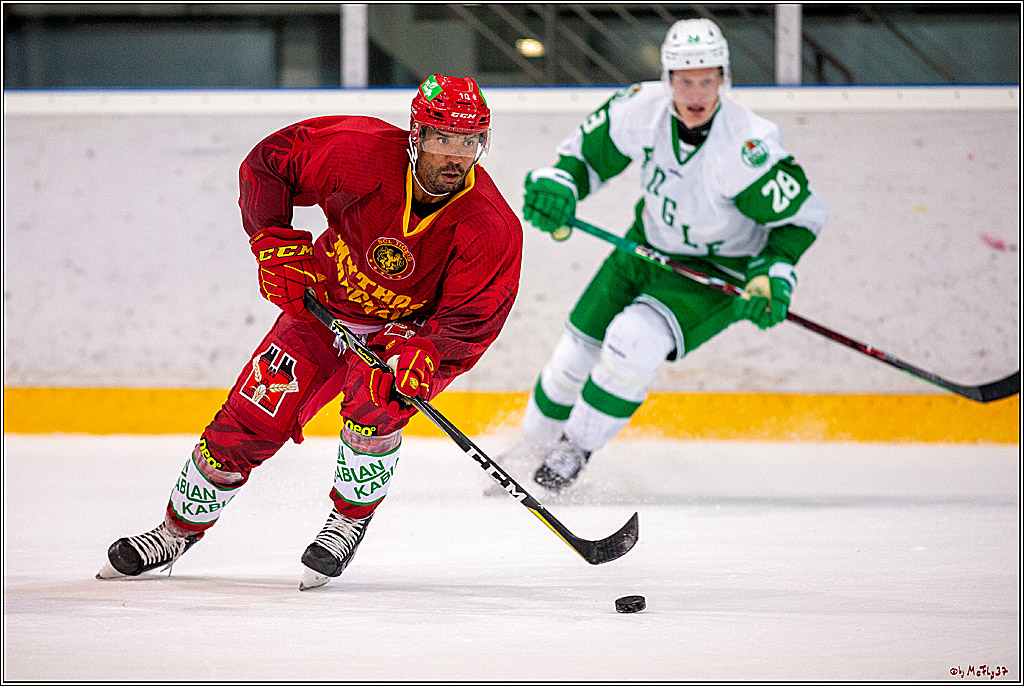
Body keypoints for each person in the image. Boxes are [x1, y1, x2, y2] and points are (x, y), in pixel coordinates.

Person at [97, 75, 523, 590]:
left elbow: (472, 318)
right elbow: (269, 163)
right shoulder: (358, 153)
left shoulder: (491, 226)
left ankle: (347, 521)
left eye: (470, 141)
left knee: (376, 403)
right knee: (251, 414)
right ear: (416, 133)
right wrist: (273, 239)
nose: (456, 156)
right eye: (442, 138)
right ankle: (174, 531)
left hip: (401, 333)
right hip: (321, 306)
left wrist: (430, 352)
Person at [517, 18, 829, 492]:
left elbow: (799, 217)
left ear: (724, 78)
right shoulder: (640, 109)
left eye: (707, 79)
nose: (696, 93)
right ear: (668, 80)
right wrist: (560, 186)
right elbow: (583, 158)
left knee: (631, 343)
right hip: (643, 248)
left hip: (713, 272)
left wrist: (773, 275)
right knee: (572, 355)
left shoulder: (748, 147)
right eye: (685, 81)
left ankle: (572, 450)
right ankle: (527, 451)